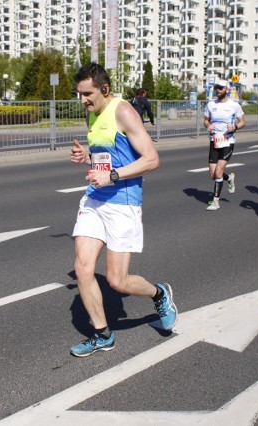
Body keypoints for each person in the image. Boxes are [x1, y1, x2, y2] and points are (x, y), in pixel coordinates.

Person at [68, 63, 177, 357]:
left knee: (117, 281)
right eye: (79, 94)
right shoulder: (93, 111)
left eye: (87, 94)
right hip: (95, 198)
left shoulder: (124, 111)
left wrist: (112, 175)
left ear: (104, 89)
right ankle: (102, 334)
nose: (83, 101)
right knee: (83, 268)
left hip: (122, 202)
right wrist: (88, 156)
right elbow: (108, 155)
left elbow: (152, 159)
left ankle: (158, 293)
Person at [203, 79, 246, 210]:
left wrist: (235, 127)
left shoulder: (234, 105)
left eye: (220, 88)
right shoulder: (211, 104)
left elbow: (243, 121)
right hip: (215, 140)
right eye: (217, 88)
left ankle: (216, 201)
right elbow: (205, 120)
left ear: (227, 90)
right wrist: (208, 125)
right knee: (213, 174)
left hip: (228, 141)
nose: (218, 90)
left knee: (218, 172)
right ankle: (229, 178)